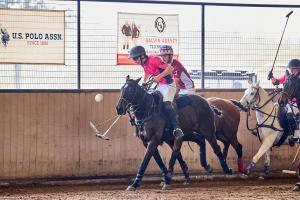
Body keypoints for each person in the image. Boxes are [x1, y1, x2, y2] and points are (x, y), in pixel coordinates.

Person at [128, 45, 184, 139]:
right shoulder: (143, 63)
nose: (134, 61)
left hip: (169, 85)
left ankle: (177, 128)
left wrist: (159, 77)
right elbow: (147, 72)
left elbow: (170, 69)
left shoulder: (154, 59)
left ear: (142, 56)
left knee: (166, 104)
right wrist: (144, 83)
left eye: (135, 58)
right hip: (160, 85)